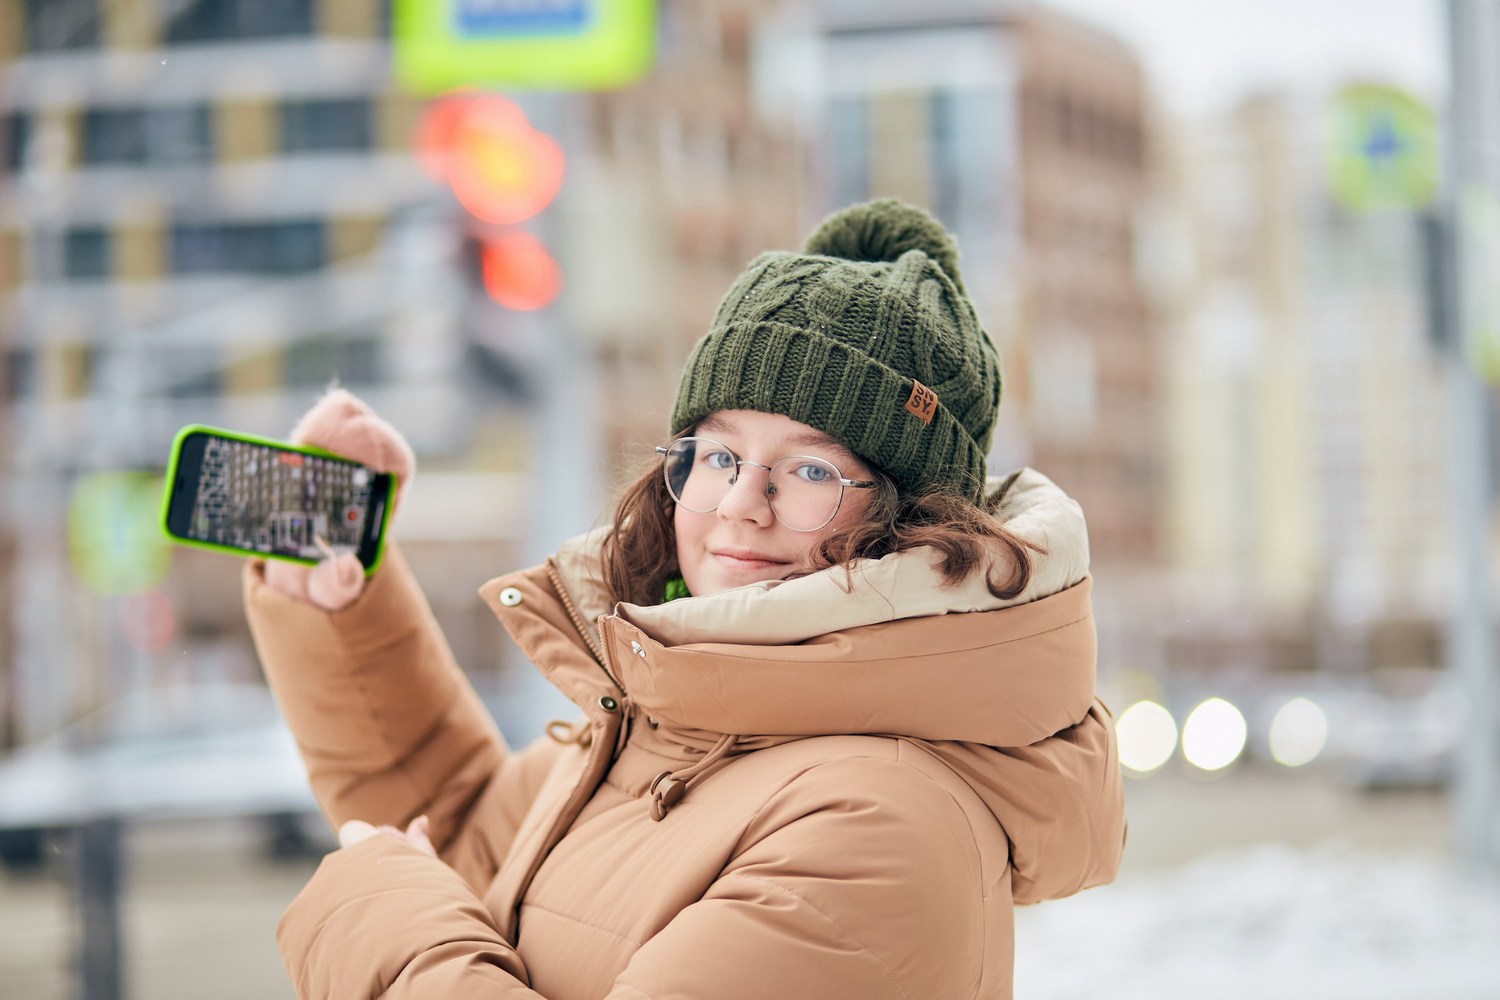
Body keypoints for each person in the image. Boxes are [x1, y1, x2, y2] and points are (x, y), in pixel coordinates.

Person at [243, 199, 1125, 999]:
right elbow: (466, 841)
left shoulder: (882, 830)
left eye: (811, 469)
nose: (743, 501)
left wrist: (376, 916)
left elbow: (417, 889)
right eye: (719, 454)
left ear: (918, 523)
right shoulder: (675, 721)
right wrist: (330, 601)